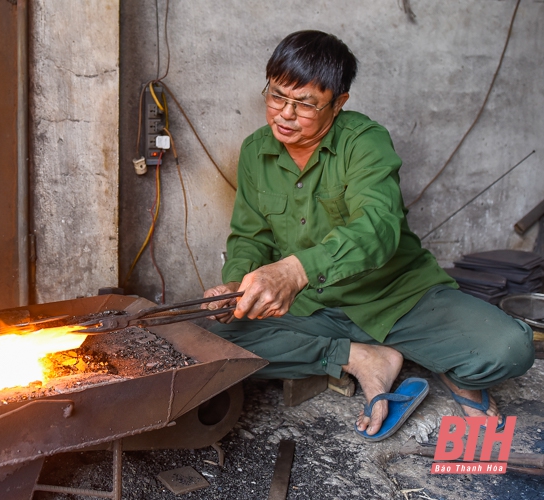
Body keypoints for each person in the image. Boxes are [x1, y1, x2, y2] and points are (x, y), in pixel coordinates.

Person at [202, 30, 534, 439]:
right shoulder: (256, 151)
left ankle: (440, 365)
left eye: (305, 104)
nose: (284, 115)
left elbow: (377, 228)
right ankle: (359, 357)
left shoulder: (366, 142)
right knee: (206, 338)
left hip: (396, 297)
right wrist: (237, 286)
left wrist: (295, 270)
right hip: (311, 308)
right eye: (276, 96)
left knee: (510, 349)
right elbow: (249, 235)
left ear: (338, 103)